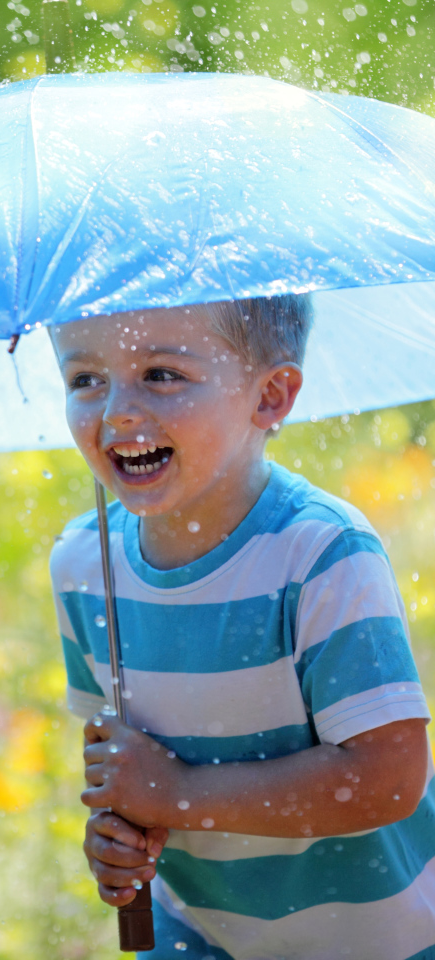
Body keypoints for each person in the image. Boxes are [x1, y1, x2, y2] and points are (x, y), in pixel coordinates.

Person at [48, 295, 434, 960]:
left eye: (161, 374)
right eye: (86, 379)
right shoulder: (86, 564)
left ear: (270, 396)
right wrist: (118, 832)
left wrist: (181, 794)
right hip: (197, 934)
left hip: (375, 938)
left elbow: (388, 777)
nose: (117, 414)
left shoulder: (319, 554)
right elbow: (119, 762)